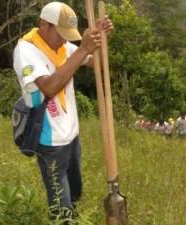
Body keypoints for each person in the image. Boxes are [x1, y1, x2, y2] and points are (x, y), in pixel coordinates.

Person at [13, 2, 113, 220]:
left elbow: (94, 63)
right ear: (44, 24)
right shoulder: (27, 50)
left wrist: (100, 40)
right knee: (61, 206)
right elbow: (49, 86)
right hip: (49, 140)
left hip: (71, 134)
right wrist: (84, 48)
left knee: (75, 190)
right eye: (60, 33)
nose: (64, 39)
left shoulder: (63, 45)